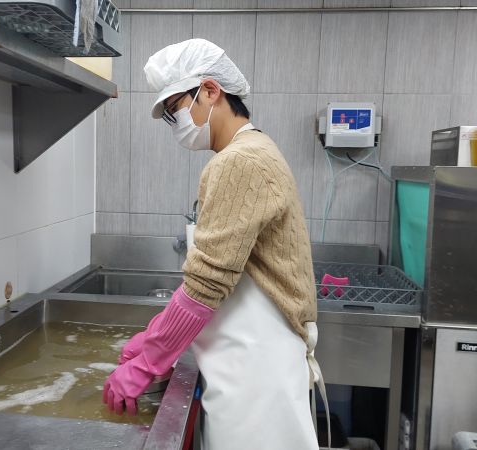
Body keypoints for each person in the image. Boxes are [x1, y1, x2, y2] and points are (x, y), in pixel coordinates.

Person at [103, 39, 324, 450]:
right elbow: (215, 272)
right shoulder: (254, 150)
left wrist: (150, 361)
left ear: (210, 90)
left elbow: (206, 284)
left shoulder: (239, 161)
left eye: (175, 109)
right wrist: (152, 337)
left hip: (255, 376)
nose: (176, 123)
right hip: (250, 363)